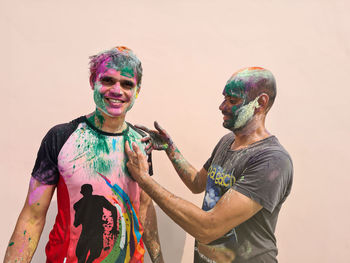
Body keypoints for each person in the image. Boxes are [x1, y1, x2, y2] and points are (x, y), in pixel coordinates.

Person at [4, 46, 164, 263]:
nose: (117, 91)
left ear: (137, 91)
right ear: (92, 81)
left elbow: (144, 207)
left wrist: (159, 259)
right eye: (108, 80)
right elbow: (32, 217)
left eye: (127, 84)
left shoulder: (141, 142)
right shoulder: (60, 137)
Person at [125, 67, 293, 262]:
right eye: (224, 99)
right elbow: (197, 183)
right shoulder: (227, 142)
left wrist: (144, 180)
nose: (222, 106)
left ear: (260, 103)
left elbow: (208, 228)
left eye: (232, 100)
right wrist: (170, 149)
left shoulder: (272, 161)